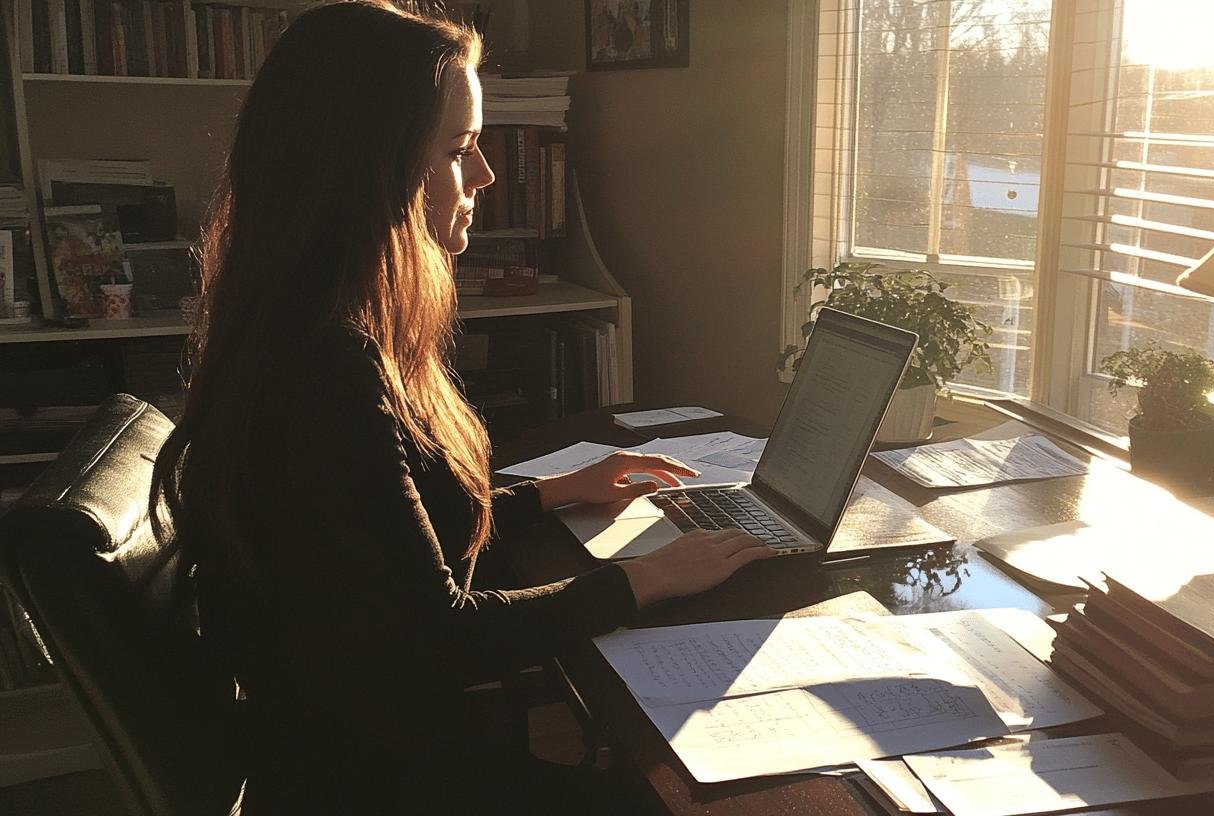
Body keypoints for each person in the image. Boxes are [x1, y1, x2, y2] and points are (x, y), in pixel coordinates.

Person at [149, 2, 773, 812]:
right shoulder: (321, 370)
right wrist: (644, 579)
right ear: (369, 168)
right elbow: (439, 636)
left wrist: (551, 492)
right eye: (460, 149)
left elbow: (373, 534)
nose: (482, 177)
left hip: (351, 754)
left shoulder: (303, 329)